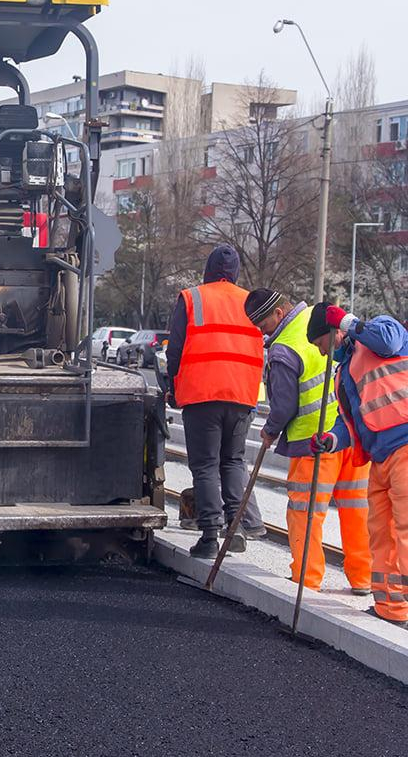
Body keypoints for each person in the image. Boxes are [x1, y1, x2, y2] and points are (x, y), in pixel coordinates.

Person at [245, 289, 371, 594]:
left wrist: (270, 430)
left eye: (262, 324)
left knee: (305, 512)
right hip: (350, 434)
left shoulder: (284, 348)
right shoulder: (317, 317)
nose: (261, 332)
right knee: (357, 510)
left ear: (277, 313)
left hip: (314, 442)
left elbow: (285, 404)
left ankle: (307, 576)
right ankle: (364, 577)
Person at [307, 303, 408, 627]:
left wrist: (349, 322)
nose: (324, 354)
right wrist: (332, 440)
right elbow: (350, 421)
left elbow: (390, 342)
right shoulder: (344, 373)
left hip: (405, 446)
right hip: (379, 459)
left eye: (322, 345)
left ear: (334, 332)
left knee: (406, 533)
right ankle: (390, 609)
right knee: (381, 537)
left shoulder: (380, 329)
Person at [166, 244, 265, 557]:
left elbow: (175, 350)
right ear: (235, 273)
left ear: (207, 270)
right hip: (242, 395)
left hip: (202, 394)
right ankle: (236, 530)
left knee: (205, 464)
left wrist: (173, 387)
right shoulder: (251, 301)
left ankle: (210, 535)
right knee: (233, 460)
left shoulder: (192, 297)